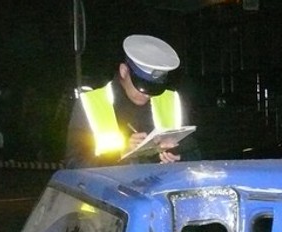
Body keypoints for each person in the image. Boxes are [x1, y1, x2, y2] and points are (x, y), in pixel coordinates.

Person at [64, 34, 198, 168]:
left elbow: (195, 154)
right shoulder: (90, 103)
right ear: (123, 71)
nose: (147, 94)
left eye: (154, 88)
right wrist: (122, 154)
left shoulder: (171, 100)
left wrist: (178, 156)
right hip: (108, 187)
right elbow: (74, 164)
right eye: (142, 87)